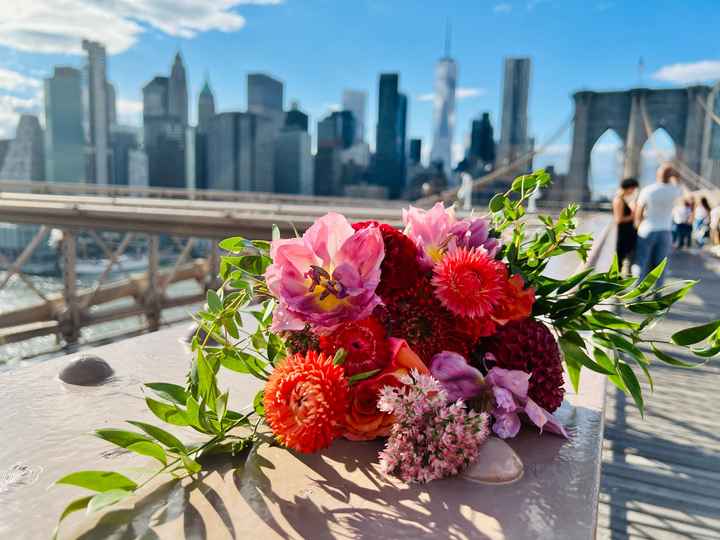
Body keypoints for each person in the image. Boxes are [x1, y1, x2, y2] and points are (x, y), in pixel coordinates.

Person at [633, 163, 683, 287]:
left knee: (642, 262)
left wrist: (637, 226)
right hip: (666, 231)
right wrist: (675, 175)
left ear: (657, 175)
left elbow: (638, 212)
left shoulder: (648, 190)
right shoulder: (675, 191)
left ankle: (638, 292)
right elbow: (679, 182)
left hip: (647, 229)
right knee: (661, 265)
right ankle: (657, 293)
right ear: (670, 176)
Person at [613, 177, 639, 273]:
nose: (633, 191)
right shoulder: (619, 200)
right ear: (629, 188)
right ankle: (616, 279)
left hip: (626, 233)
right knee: (620, 258)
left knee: (623, 258)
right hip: (623, 234)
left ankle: (620, 278)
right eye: (633, 189)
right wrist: (633, 216)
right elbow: (618, 219)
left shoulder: (623, 199)